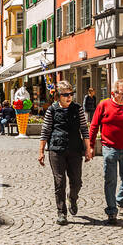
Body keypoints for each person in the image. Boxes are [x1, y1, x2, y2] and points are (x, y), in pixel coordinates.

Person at [87, 79, 123, 224]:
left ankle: (121, 202)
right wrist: (90, 146)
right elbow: (94, 126)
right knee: (110, 180)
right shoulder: (103, 105)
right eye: (121, 93)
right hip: (109, 148)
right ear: (113, 93)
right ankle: (112, 211)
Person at [38, 82, 89, 224]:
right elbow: (45, 131)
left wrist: (88, 149)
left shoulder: (77, 109)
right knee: (59, 181)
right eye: (65, 95)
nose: (69, 97)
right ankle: (61, 212)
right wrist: (41, 151)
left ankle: (72, 198)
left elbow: (84, 129)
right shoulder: (52, 110)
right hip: (56, 149)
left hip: (75, 149)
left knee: (77, 181)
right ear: (58, 96)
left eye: (71, 94)